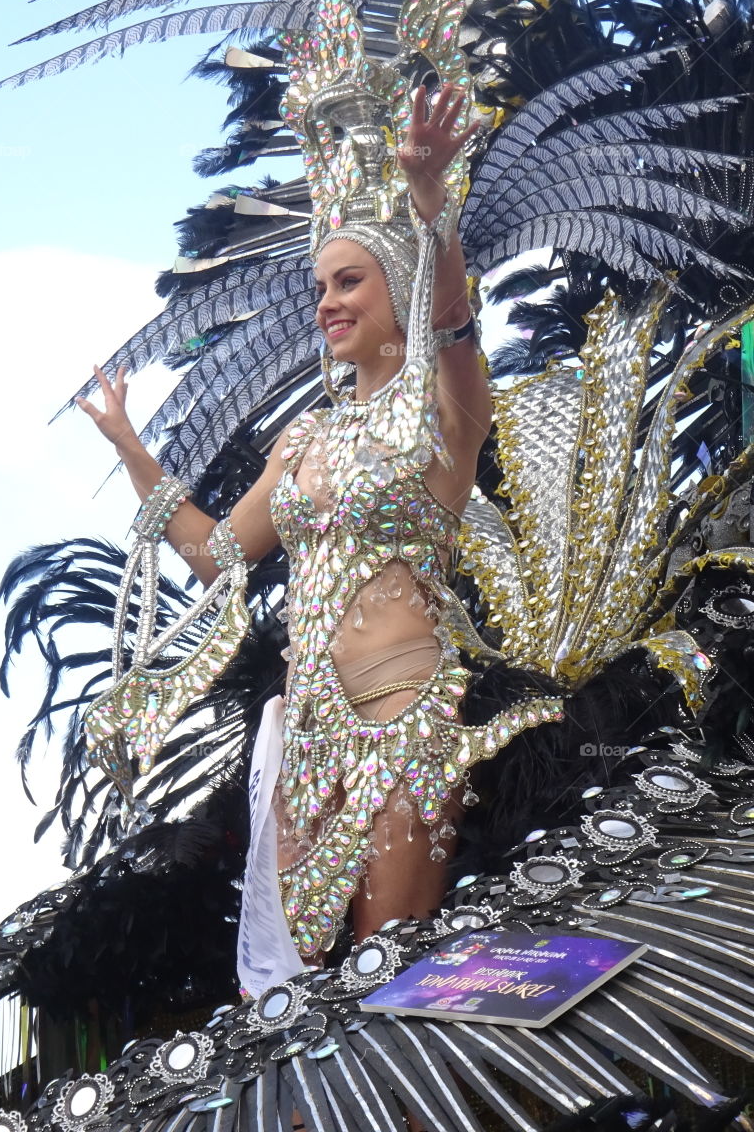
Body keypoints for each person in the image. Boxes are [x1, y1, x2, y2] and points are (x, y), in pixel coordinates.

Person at [76, 82, 495, 993]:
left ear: (400, 290)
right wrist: (130, 447)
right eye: (320, 287)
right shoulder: (304, 440)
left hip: (403, 713)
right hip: (304, 734)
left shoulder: (441, 419)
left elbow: (456, 333)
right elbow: (215, 555)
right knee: (294, 998)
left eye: (350, 282)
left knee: (391, 971)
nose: (328, 304)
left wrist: (432, 213)